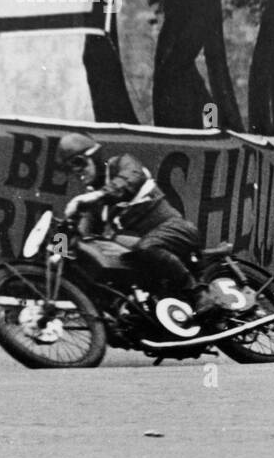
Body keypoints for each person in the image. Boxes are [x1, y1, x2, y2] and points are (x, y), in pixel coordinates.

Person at [57, 132, 220, 323]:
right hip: (147, 247)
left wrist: (94, 197)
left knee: (146, 247)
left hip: (176, 229)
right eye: (70, 168)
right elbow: (84, 234)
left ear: (95, 156)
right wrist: (62, 238)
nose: (77, 171)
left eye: (79, 163)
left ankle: (199, 294)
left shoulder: (122, 164)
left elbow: (129, 180)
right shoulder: (95, 204)